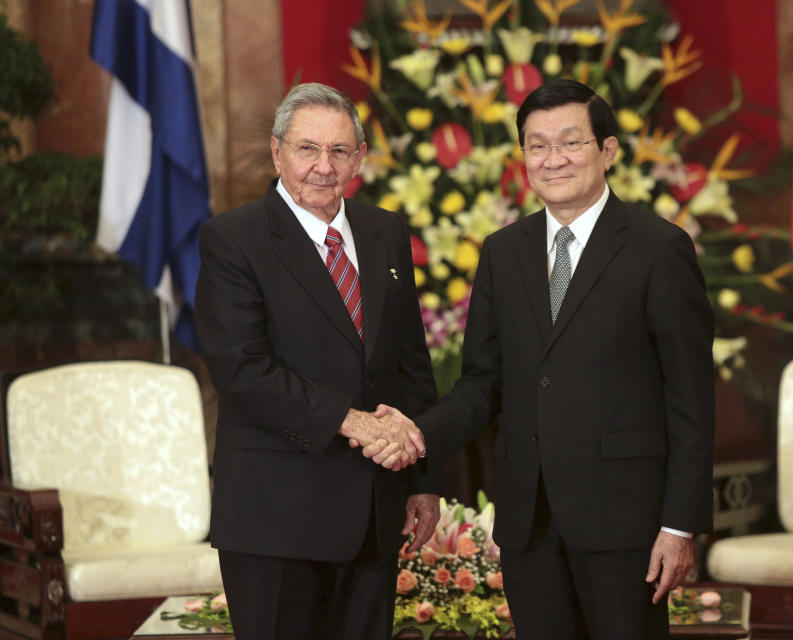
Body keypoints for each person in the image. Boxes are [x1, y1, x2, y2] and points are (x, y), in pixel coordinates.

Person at [366, 79, 715, 639]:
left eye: (570, 142)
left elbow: (691, 399)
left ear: (607, 151)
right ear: (523, 156)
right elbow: (482, 383)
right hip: (529, 523)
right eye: (537, 145)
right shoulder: (503, 252)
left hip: (625, 523)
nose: (554, 159)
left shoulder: (659, 248)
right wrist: (419, 435)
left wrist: (680, 526)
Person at [194, 82, 440, 640]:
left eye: (338, 150)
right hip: (276, 519)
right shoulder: (233, 239)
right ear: (278, 152)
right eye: (307, 148)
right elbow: (241, 371)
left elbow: (410, 363)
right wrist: (349, 420)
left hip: (374, 517)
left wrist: (426, 479)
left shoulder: (384, 231)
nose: (322, 166)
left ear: (359, 158)